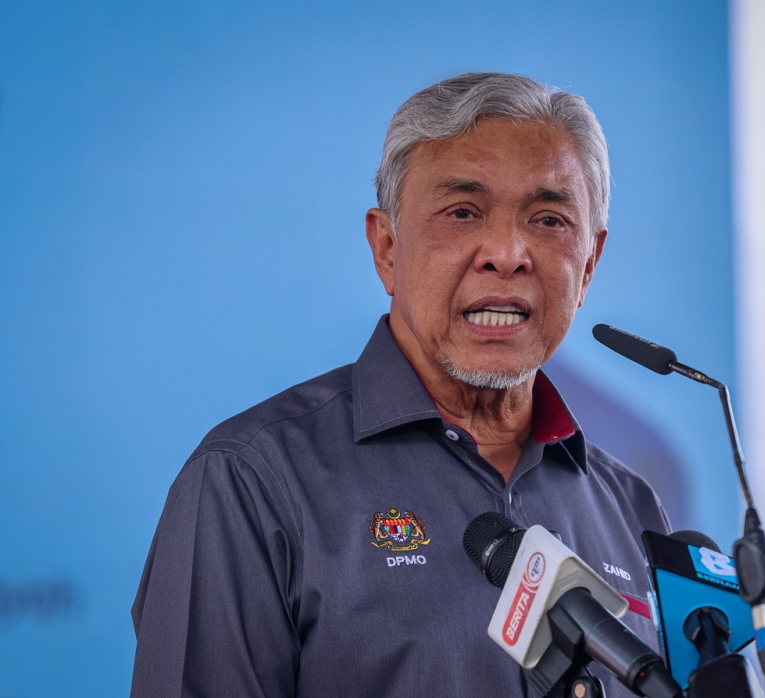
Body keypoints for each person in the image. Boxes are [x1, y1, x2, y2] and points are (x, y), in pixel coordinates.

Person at [130, 72, 671, 698]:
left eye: (549, 219)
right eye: (463, 212)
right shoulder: (251, 481)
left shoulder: (632, 506)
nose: (507, 252)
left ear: (590, 265)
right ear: (386, 247)